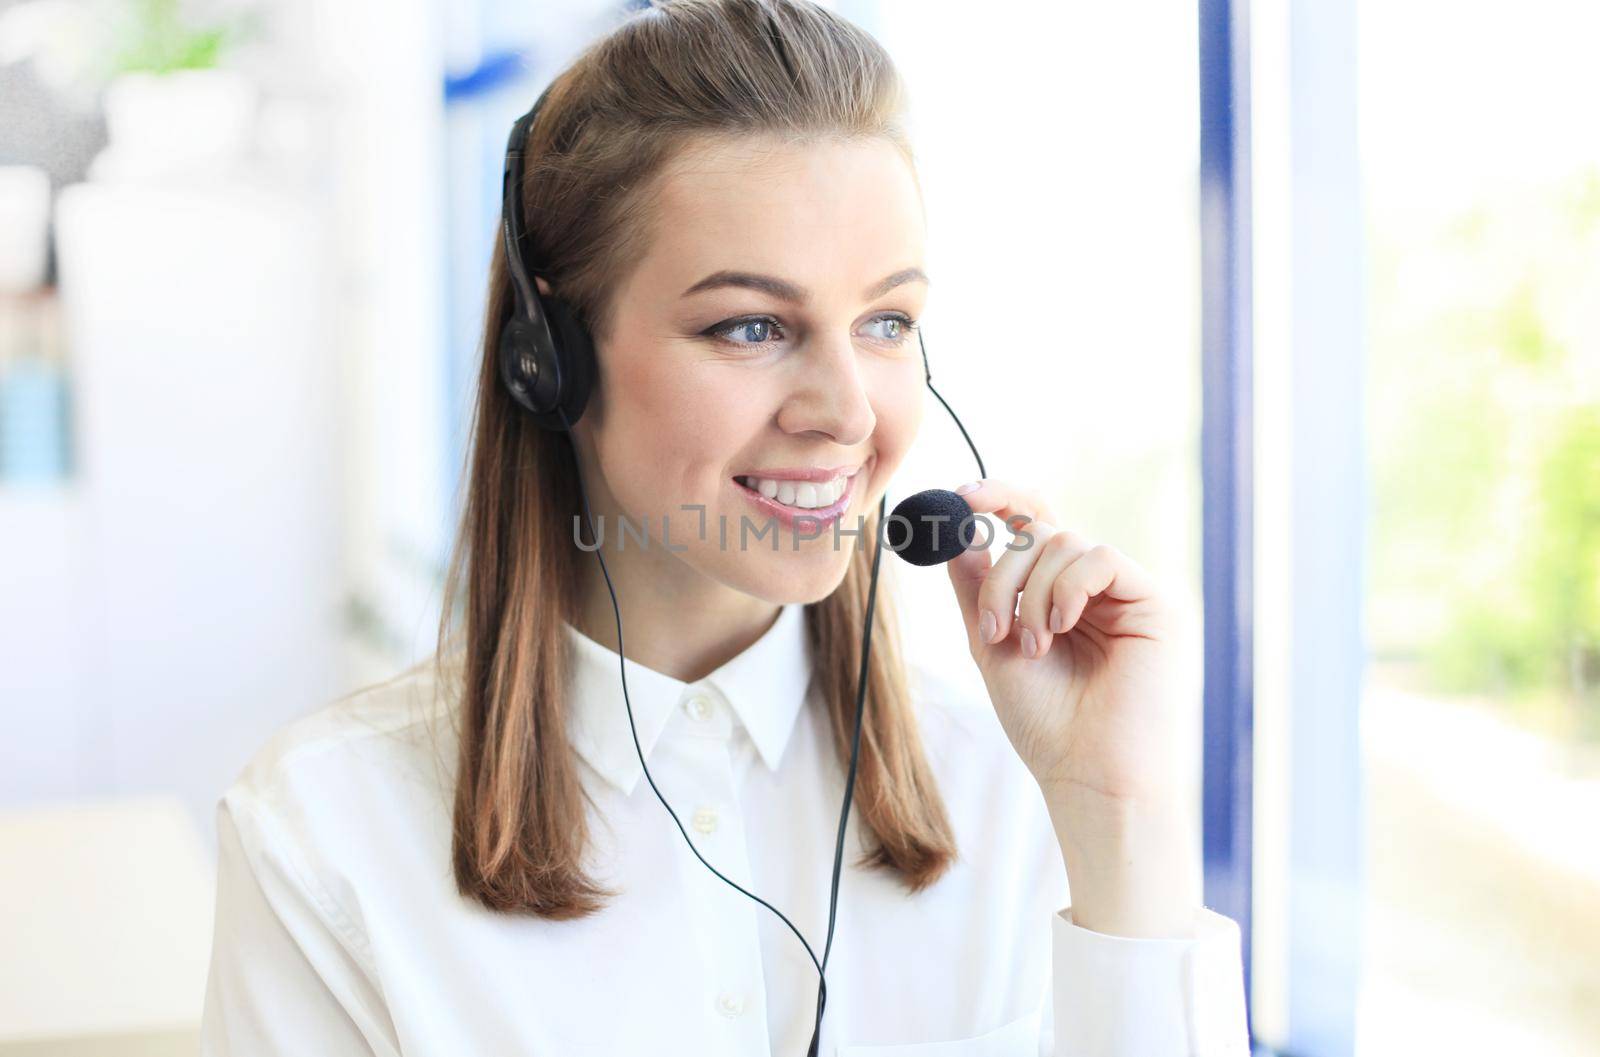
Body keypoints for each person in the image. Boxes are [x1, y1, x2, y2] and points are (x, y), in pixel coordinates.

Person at [200, 1, 1250, 1054]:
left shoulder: (1017, 784)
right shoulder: (327, 837)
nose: (846, 411)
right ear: (551, 360)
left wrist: (1117, 811)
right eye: (749, 325)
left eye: (886, 322)